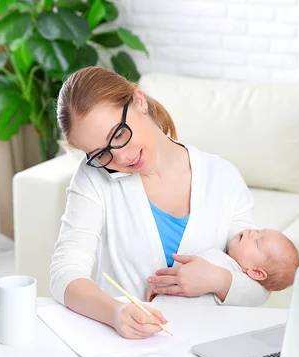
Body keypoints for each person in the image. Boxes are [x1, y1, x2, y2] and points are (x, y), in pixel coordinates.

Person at [50, 66, 270, 339]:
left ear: (139, 101)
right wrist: (115, 313)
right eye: (100, 153)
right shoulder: (94, 177)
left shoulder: (222, 177)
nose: (119, 158)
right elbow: (65, 273)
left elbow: (261, 286)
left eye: (118, 134)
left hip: (207, 344)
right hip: (127, 348)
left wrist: (218, 280)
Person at [146, 228, 299, 304]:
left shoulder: (217, 263)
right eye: (258, 231)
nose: (252, 232)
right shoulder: (225, 264)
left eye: (257, 242)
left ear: (256, 273)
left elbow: (180, 277)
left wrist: (158, 286)